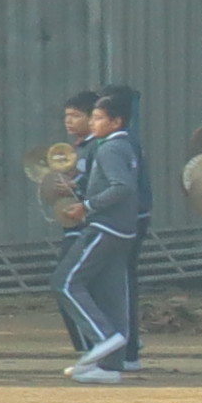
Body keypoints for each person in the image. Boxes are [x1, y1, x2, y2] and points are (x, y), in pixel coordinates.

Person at [57, 87, 150, 380]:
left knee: (65, 282)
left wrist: (87, 206)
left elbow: (122, 187)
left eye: (98, 118)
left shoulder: (109, 148)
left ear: (116, 122)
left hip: (105, 227)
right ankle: (110, 366)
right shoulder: (124, 145)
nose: (92, 123)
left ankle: (104, 337)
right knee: (113, 296)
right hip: (123, 230)